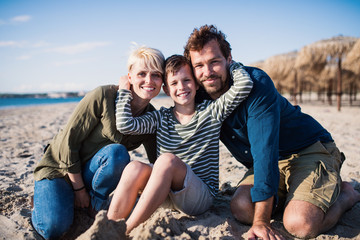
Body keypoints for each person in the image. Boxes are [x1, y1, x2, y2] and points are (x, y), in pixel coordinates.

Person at [184, 24, 360, 240]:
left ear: (229, 58)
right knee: (241, 207)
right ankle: (299, 196)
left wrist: (261, 222)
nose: (207, 72)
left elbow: (264, 151)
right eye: (199, 65)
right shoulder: (198, 95)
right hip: (269, 161)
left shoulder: (256, 84)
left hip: (307, 150)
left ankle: (346, 195)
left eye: (214, 62)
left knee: (301, 224)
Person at [107, 54, 253, 234]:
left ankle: (127, 230)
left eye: (186, 80)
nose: (181, 87)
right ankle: (110, 226)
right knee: (134, 167)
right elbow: (125, 125)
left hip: (198, 197)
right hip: (165, 194)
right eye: (174, 83)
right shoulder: (161, 117)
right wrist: (124, 91)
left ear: (197, 83)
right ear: (166, 90)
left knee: (166, 161)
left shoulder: (212, 111)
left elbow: (245, 84)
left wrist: (230, 64)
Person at [31, 46, 165, 239]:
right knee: (53, 228)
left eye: (156, 75)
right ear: (129, 76)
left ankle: (94, 203)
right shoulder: (102, 96)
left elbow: (157, 162)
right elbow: (68, 144)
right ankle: (43, 201)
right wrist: (78, 190)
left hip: (92, 174)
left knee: (117, 155)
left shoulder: (151, 117)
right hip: (58, 170)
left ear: (162, 81)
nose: (149, 81)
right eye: (142, 73)